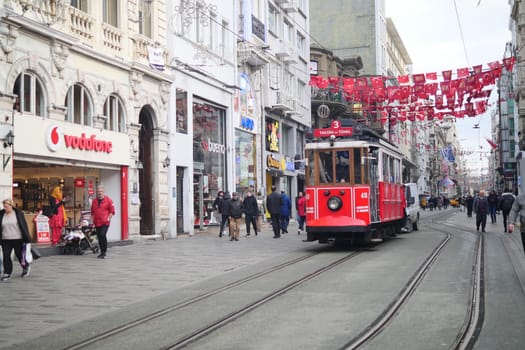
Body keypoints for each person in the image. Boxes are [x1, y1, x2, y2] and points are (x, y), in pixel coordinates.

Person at [0, 199, 32, 281]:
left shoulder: (18, 213)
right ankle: (7, 273)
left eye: (6, 207)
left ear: (11, 206)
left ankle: (25, 267)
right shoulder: (1, 214)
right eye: (4, 207)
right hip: (5, 239)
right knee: (6, 256)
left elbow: (24, 226)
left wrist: (27, 238)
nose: (5, 208)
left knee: (19, 255)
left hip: (17, 238)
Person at [90, 185, 115, 259]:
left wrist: (108, 218)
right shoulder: (94, 201)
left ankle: (104, 252)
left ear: (103, 192)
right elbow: (92, 212)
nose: (99, 193)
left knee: (102, 235)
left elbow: (112, 211)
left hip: (105, 222)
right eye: (98, 192)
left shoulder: (108, 200)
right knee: (99, 237)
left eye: (101, 191)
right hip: (97, 222)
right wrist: (92, 221)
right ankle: (102, 252)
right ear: (96, 193)